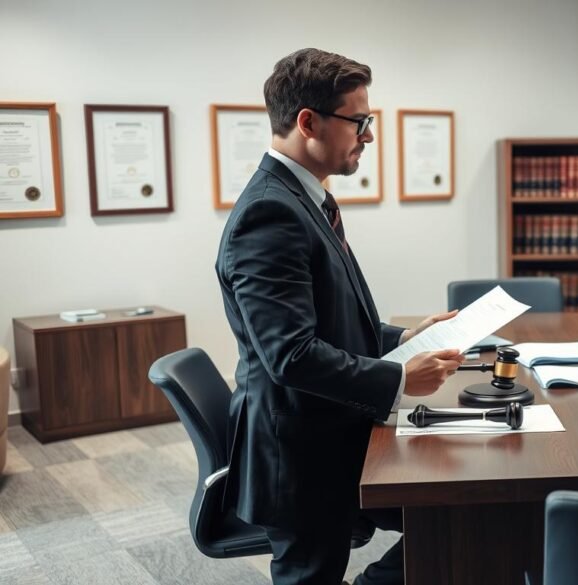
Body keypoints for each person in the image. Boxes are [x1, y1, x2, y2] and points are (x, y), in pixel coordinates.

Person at [215, 48, 464, 585]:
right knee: (447, 525)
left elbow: (327, 320)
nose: (369, 136)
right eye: (360, 121)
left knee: (457, 518)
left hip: (330, 432)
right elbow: (292, 355)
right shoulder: (269, 213)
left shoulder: (304, 199)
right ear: (309, 122)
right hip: (300, 455)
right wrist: (399, 376)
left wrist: (403, 336)